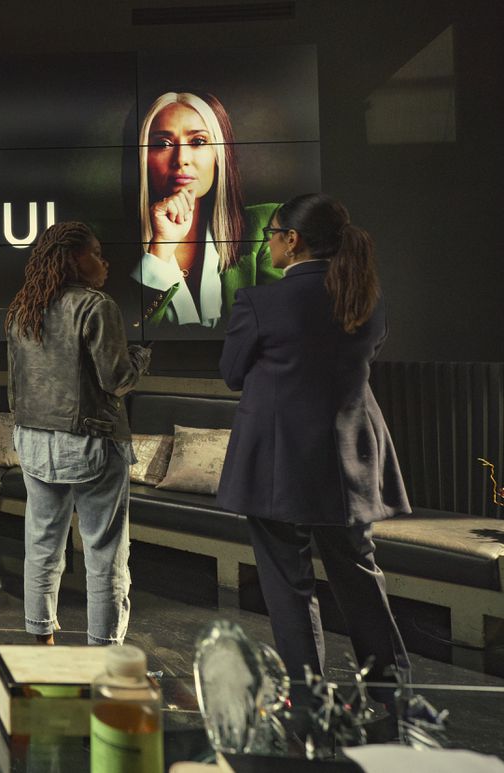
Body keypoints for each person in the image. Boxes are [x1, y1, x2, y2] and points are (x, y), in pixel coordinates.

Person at [217, 193, 411, 685]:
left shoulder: (261, 301)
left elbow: (232, 373)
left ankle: (308, 699)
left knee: (289, 584)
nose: (268, 243)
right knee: (359, 573)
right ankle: (393, 690)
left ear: (291, 240)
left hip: (279, 466)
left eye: (271, 234)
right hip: (349, 463)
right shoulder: (366, 300)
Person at [6, 221, 151, 645]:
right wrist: (139, 359)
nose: (103, 262)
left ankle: (42, 641)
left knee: (42, 543)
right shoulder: (96, 306)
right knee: (105, 552)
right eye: (97, 253)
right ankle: (102, 652)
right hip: (91, 441)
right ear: (73, 258)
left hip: (32, 439)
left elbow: (15, 384)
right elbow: (116, 380)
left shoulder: (21, 308)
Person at [131, 91, 281, 329]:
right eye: (163, 144)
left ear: (219, 154)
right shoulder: (104, 246)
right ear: (143, 156)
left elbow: (283, 329)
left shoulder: (267, 224)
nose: (181, 159)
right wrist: (159, 249)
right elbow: (124, 334)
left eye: (198, 142)